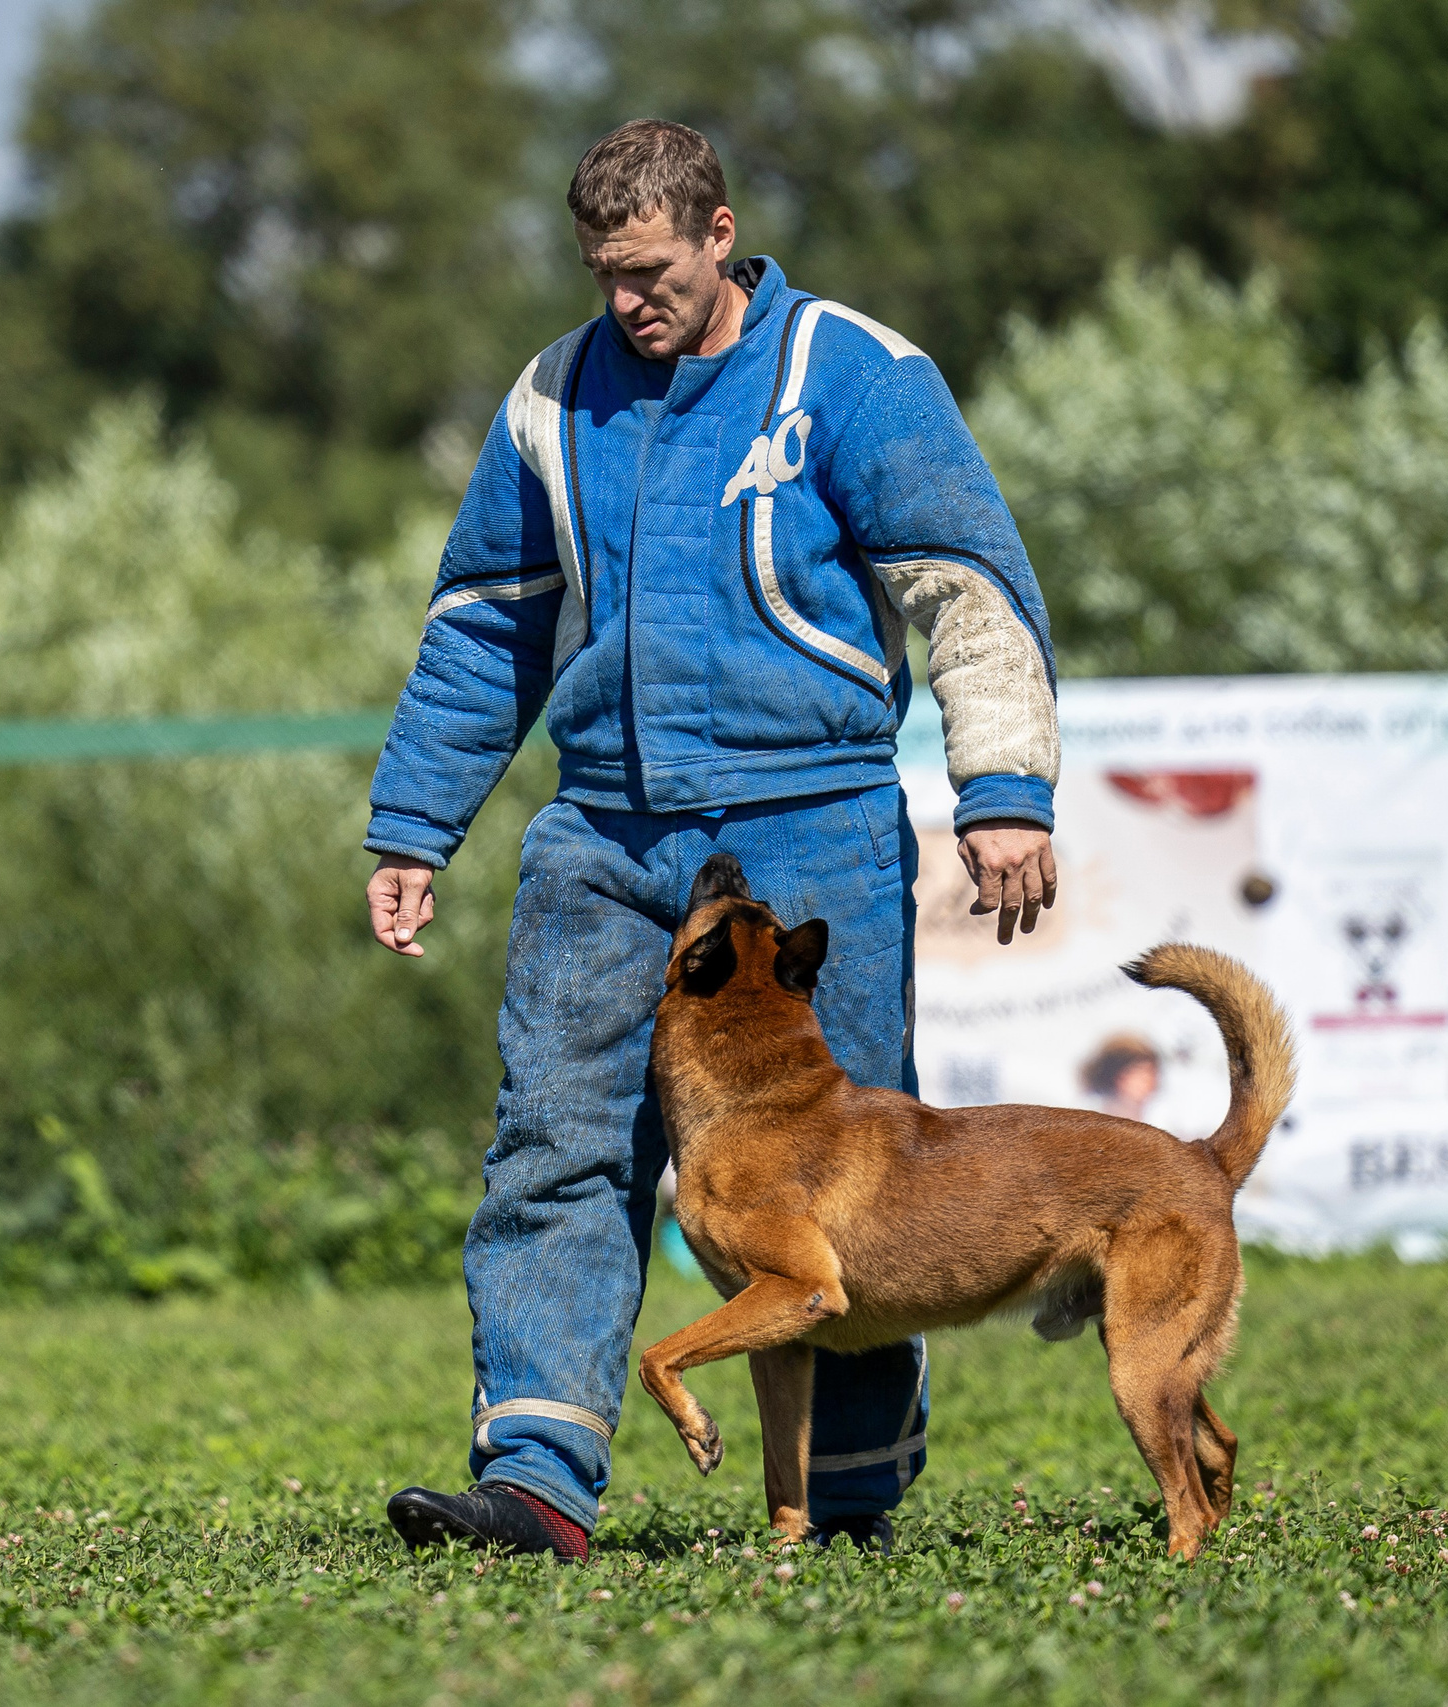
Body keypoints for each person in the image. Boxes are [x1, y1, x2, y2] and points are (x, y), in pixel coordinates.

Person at [362, 119, 1061, 1561]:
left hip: (813, 818)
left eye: (653, 270)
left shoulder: (852, 374)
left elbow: (964, 586)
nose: (630, 302)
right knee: (555, 1142)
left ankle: (854, 1490)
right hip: (604, 830)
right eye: (605, 273)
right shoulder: (552, 399)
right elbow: (486, 624)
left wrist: (1001, 789)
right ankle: (538, 1483)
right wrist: (417, 824)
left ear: (720, 232)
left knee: (854, 1162)